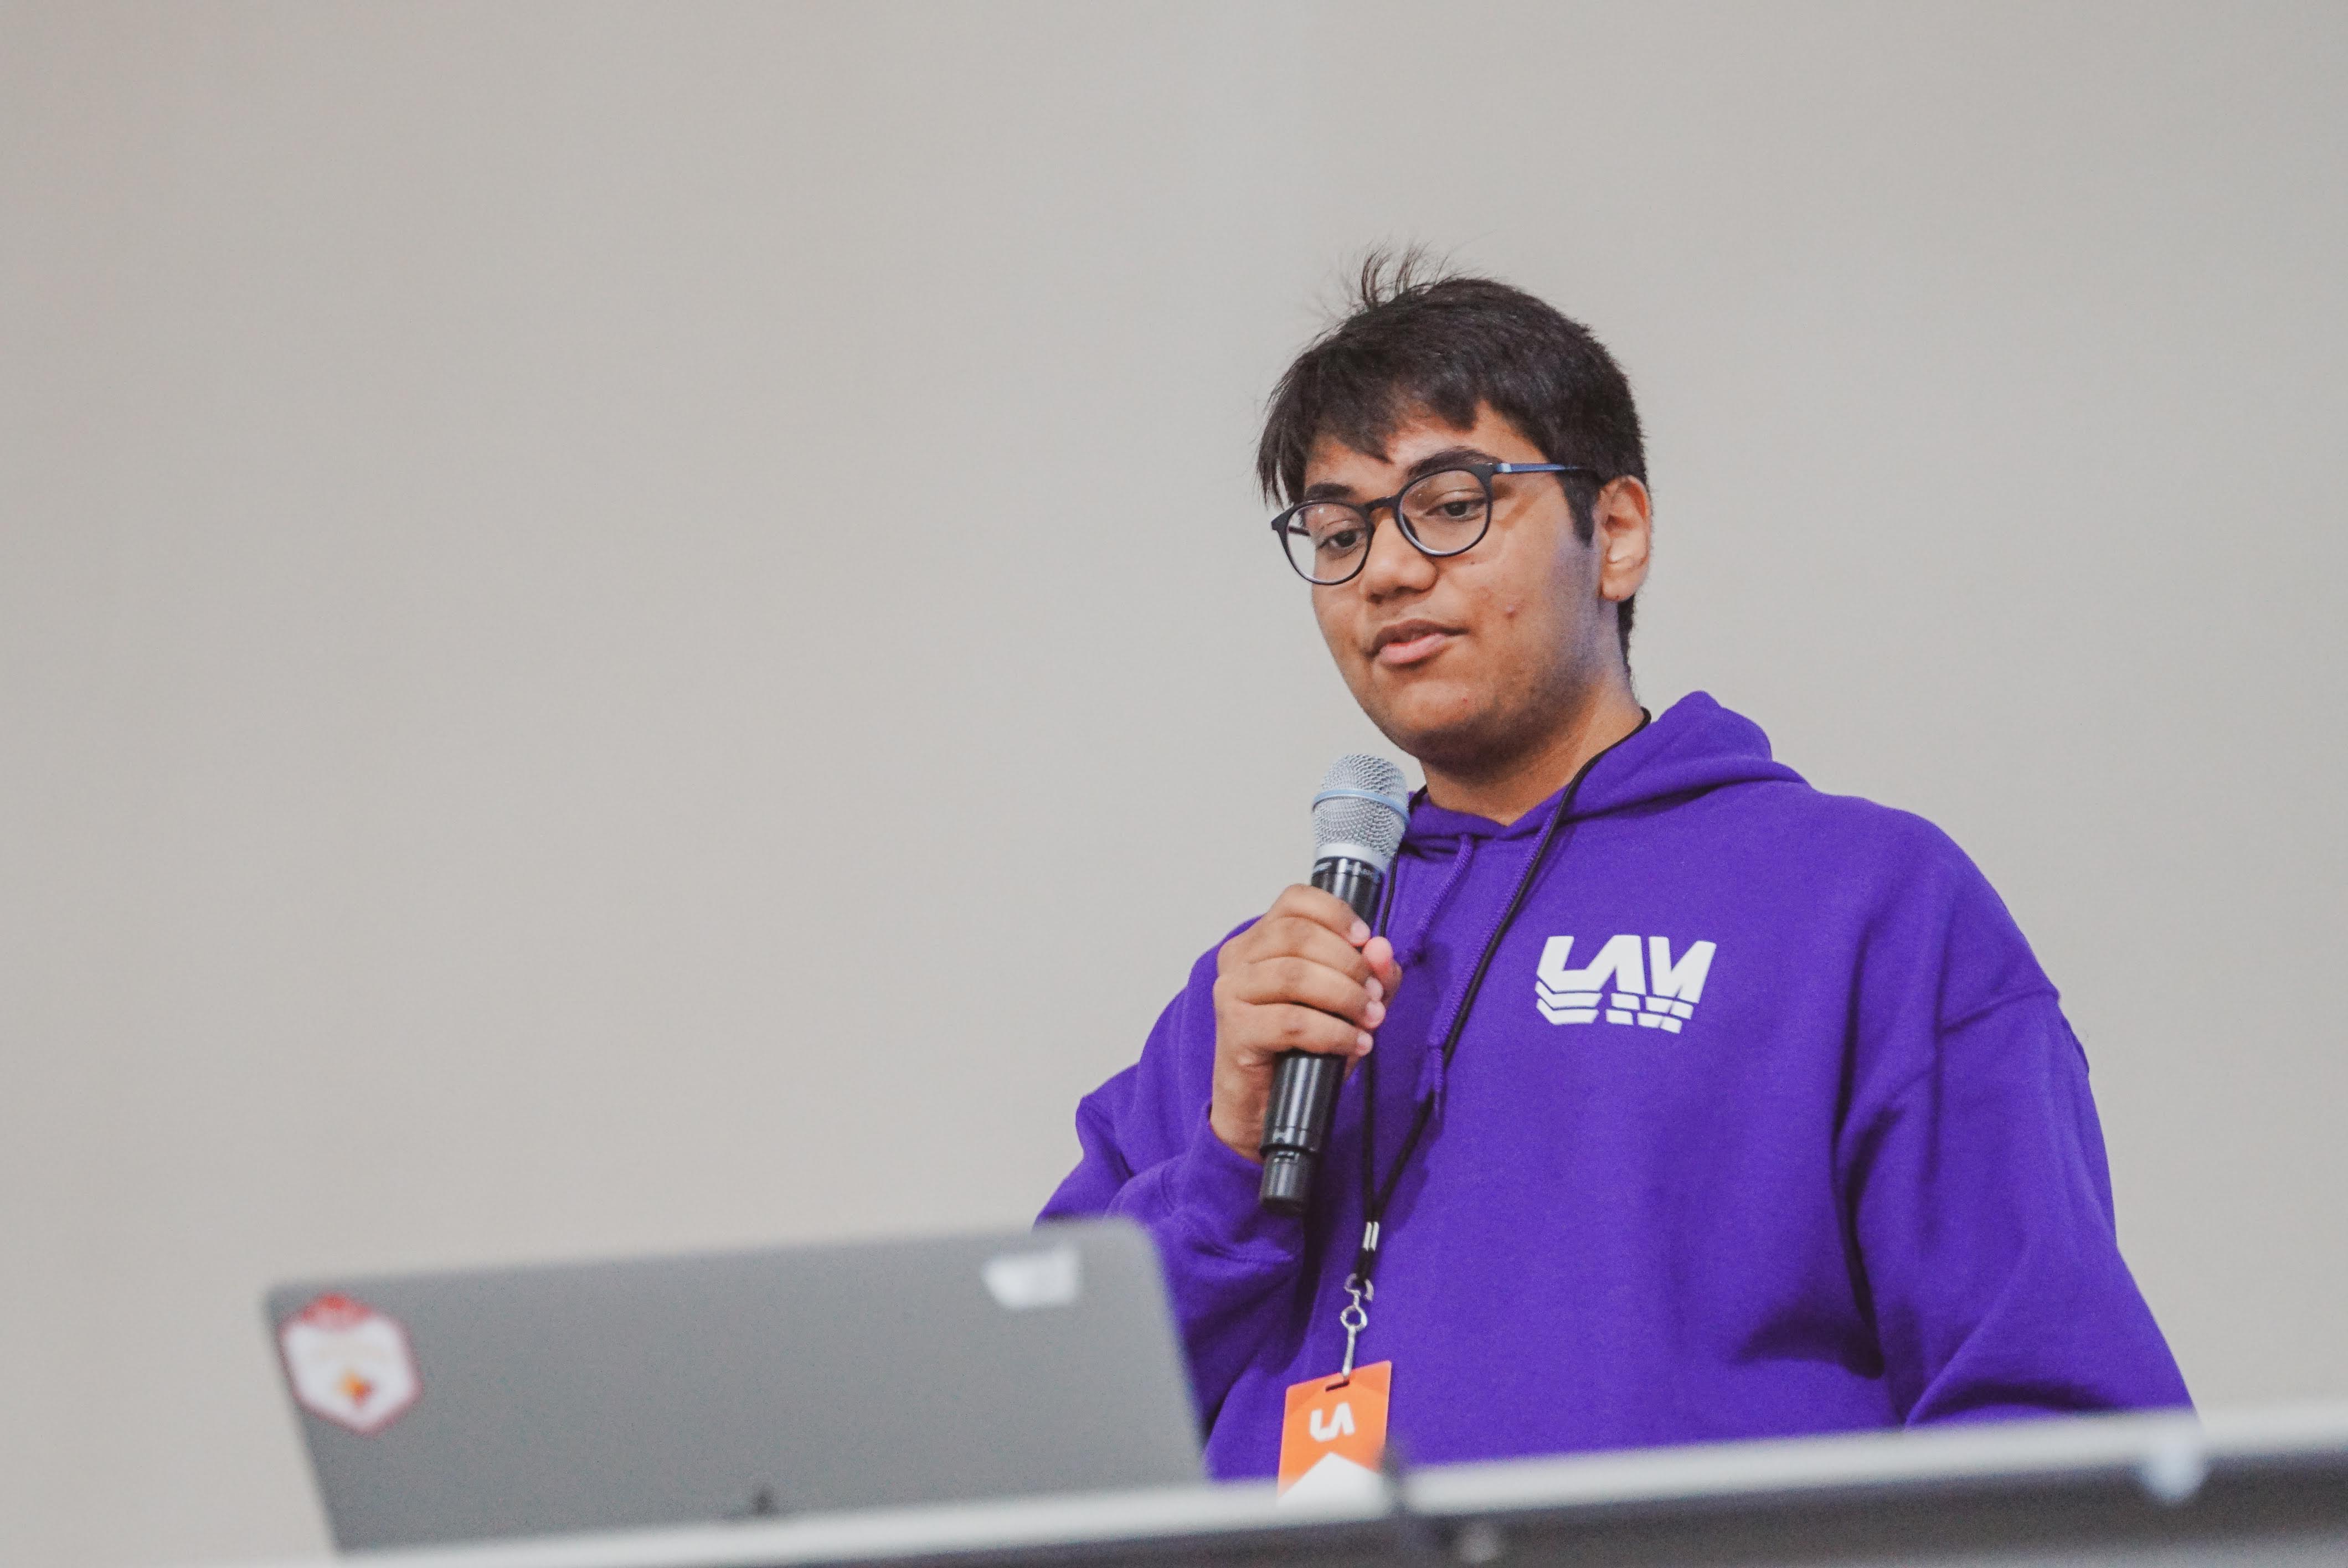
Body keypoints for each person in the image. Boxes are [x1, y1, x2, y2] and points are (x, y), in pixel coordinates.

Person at [1040, 256, 2189, 1481]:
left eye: (1449, 503)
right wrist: (1223, 1165)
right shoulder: (1260, 996)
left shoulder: (1860, 904)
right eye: (1337, 531)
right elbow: (1040, 1439)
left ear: (1618, 533)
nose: (1383, 571)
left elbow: (2052, 1423)